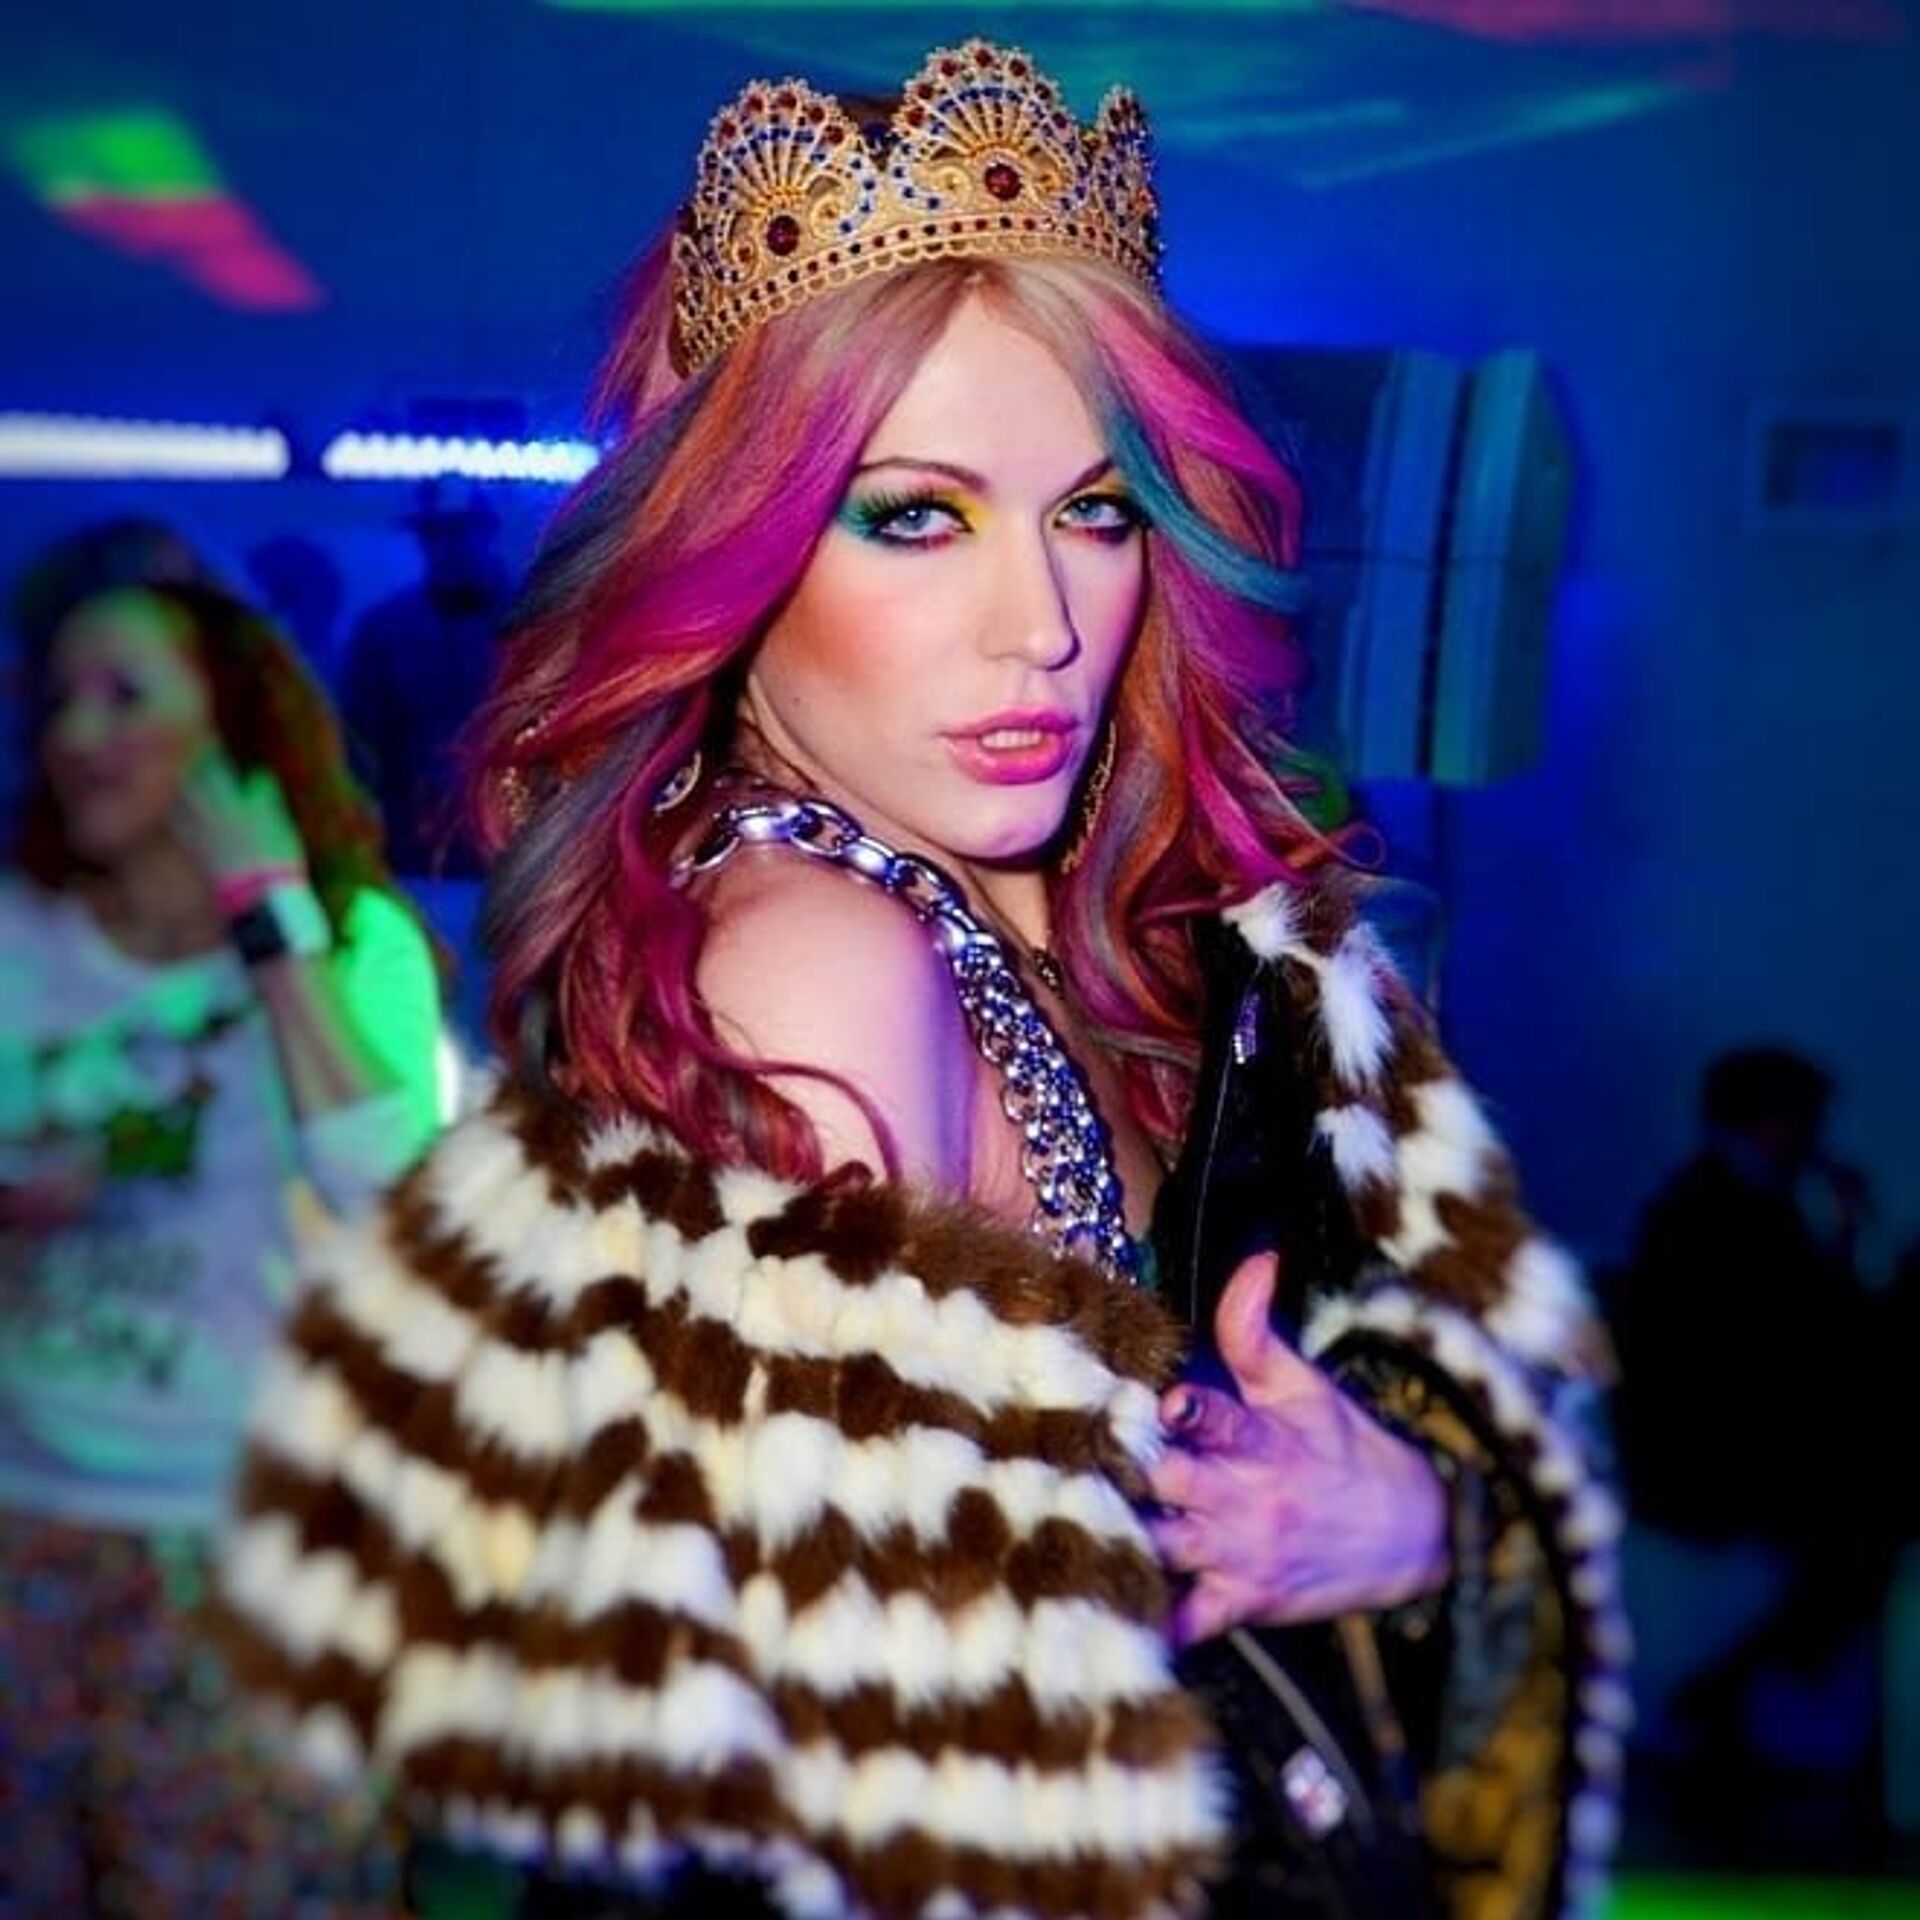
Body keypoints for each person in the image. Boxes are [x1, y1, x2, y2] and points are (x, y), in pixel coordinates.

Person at [217, 39, 1622, 1920]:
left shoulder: (1154, 925)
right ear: (738, 543)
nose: (1041, 627)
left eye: (1096, 511)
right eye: (914, 515)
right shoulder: (820, 959)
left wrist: (1401, 1518)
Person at [0, 552, 447, 1912]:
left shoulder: (350, 942)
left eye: (125, 694)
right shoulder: (18, 935)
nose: (79, 732)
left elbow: (400, 1196)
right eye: (60, 699)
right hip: (27, 1532)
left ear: (232, 730)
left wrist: (266, 913)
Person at [1611, 1045, 1897, 1867]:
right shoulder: (1726, 1212)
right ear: (1772, 1120)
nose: (1816, 1136)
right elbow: (1808, 1341)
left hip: (1723, 1451)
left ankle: (1726, 1703)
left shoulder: (1720, 1202)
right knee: (1870, 1529)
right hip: (1716, 1462)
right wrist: (1850, 1238)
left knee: (1870, 1525)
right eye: (1805, 1118)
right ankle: (1722, 1700)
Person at [340, 478, 513, 875]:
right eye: (433, 534)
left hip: (512, 849)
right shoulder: (385, 630)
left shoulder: (537, 620)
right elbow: (361, 746)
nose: (447, 547)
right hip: (414, 851)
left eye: (459, 531)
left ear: (486, 531)